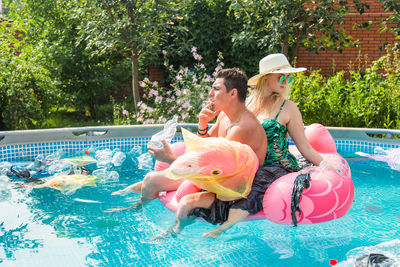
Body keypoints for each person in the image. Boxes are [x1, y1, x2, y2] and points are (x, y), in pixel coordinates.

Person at [172, 53, 333, 238]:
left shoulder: (288, 107)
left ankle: (222, 229)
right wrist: (202, 126)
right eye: (282, 76)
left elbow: (304, 147)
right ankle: (181, 223)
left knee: (256, 183)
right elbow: (210, 143)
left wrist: (326, 165)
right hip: (242, 166)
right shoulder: (242, 103)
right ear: (266, 78)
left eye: (288, 77)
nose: (286, 81)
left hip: (275, 166)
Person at [104, 68, 268, 224]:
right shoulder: (225, 116)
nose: (210, 94)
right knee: (149, 180)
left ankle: (136, 210)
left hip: (229, 186)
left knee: (153, 181)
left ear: (233, 93)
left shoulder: (242, 128)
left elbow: (214, 172)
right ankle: (137, 208)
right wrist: (203, 124)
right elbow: (204, 148)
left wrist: (170, 159)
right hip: (215, 174)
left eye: (216, 89)